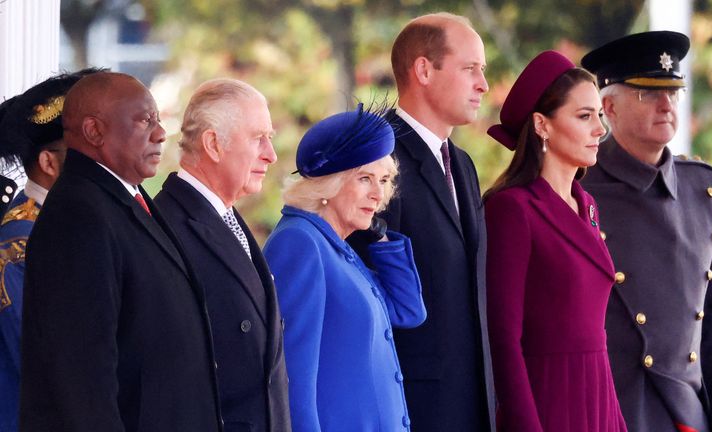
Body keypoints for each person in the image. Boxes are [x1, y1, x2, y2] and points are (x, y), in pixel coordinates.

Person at [19, 72, 222, 431]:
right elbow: (81, 377)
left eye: (158, 120)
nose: (161, 133)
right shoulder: (78, 214)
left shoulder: (126, 197)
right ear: (95, 131)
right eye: (145, 120)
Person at [581, 31, 712, 432]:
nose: (666, 105)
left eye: (673, 93)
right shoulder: (578, 188)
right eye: (647, 94)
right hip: (611, 412)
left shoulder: (705, 187)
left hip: (689, 414)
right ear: (608, 107)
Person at [349, 12, 495, 431]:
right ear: (424, 70)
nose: (482, 84)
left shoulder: (462, 164)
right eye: (470, 69)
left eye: (482, 72)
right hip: (411, 404)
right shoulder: (377, 156)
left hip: (472, 401)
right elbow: (366, 290)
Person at [483, 50, 624, 432]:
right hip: (549, 402)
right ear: (542, 124)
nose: (600, 129)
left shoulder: (587, 204)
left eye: (599, 115)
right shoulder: (512, 208)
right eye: (584, 116)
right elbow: (504, 340)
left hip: (599, 397)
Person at [263, 106, 426, 431]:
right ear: (330, 182)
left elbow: (409, 310)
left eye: (383, 180)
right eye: (364, 179)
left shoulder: (339, 248)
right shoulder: (300, 243)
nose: (378, 194)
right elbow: (293, 378)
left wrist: (378, 234)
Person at [154, 78, 290, 431]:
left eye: (271, 138)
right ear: (213, 144)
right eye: (258, 138)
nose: (270, 155)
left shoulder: (225, 216)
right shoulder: (166, 228)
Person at [0, 69, 96, 432]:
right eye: (85, 153)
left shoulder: (69, 223)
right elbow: (41, 365)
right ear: (48, 163)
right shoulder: (21, 243)